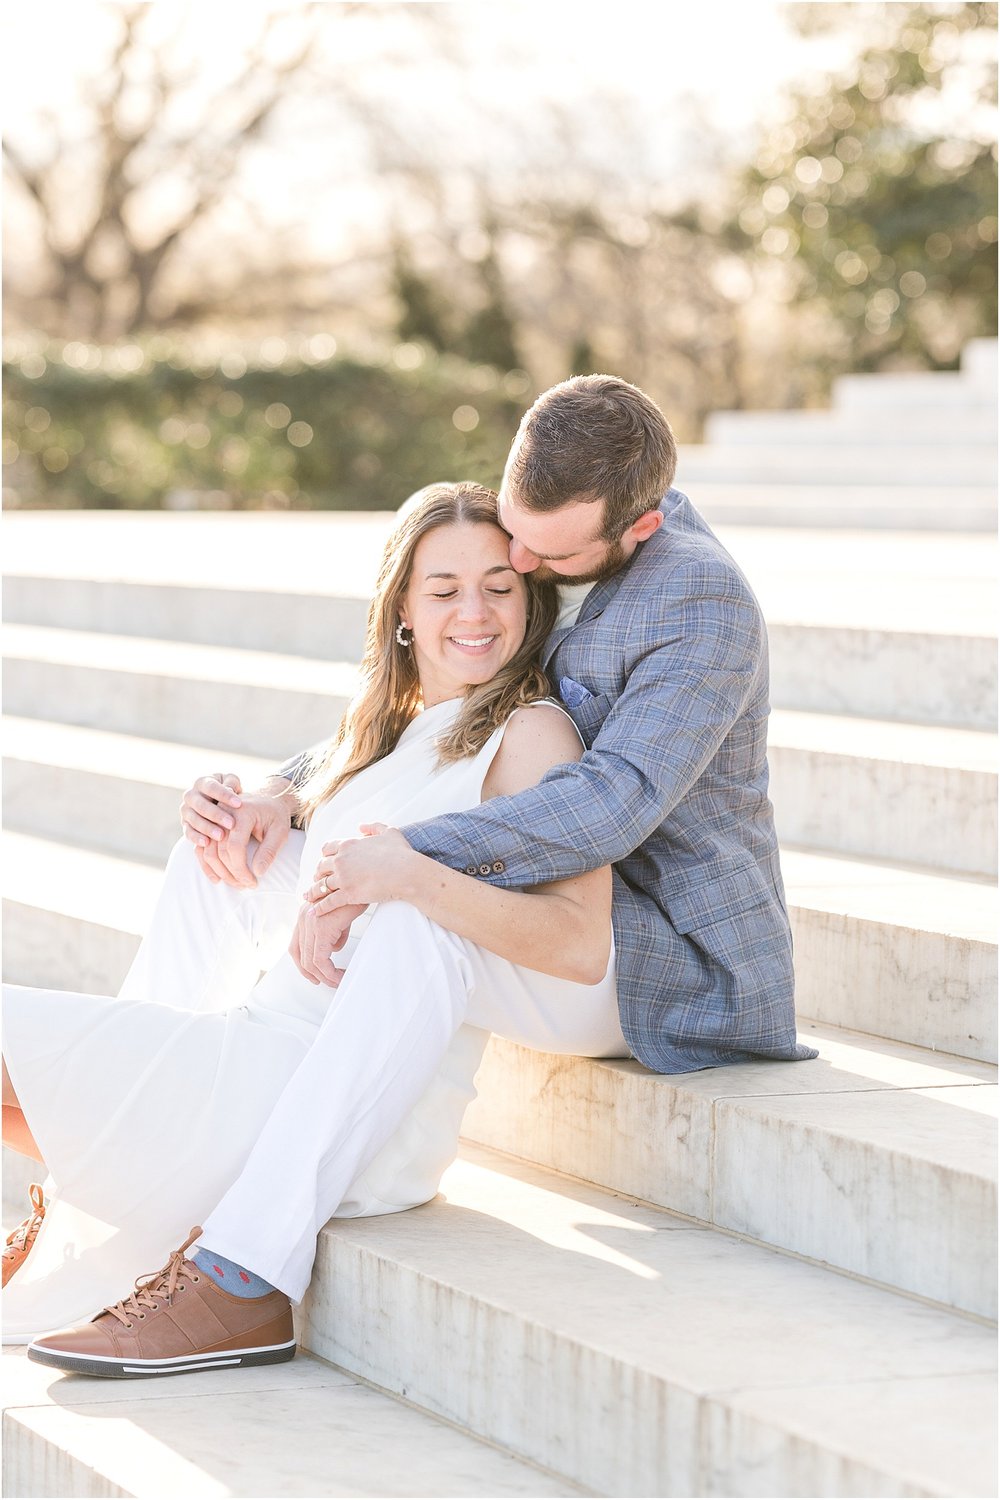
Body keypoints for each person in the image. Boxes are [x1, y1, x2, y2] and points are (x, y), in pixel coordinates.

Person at [2, 481, 626, 1373]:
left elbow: (577, 941)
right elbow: (302, 843)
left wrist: (413, 876)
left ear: (531, 599)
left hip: (342, 1103)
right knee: (216, 857)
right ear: (403, 612)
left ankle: (246, 1283)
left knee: (419, 914)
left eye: (499, 585)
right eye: (444, 589)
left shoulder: (531, 737)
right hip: (254, 1057)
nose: (476, 612)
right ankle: (94, 1190)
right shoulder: (390, 736)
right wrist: (236, 811)